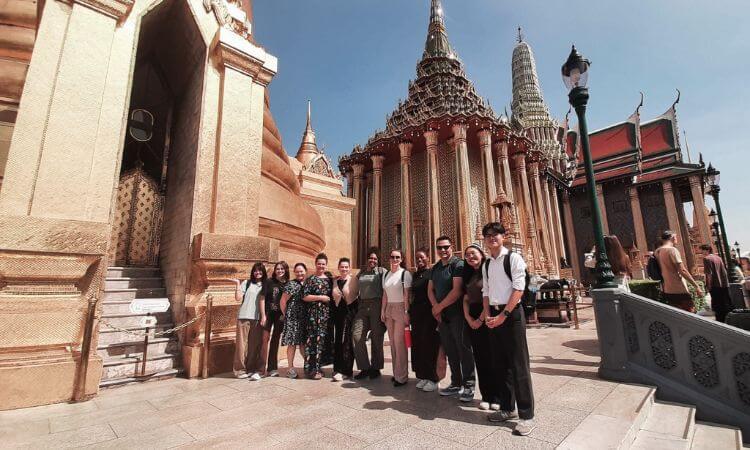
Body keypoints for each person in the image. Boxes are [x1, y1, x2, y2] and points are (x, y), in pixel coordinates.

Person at [481, 222, 536, 436]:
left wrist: (504, 315)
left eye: (495, 234)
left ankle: (527, 415)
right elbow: (486, 291)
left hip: (511, 314)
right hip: (494, 314)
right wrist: (487, 314)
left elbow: (519, 288)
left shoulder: (513, 258)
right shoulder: (487, 264)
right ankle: (506, 408)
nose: (491, 238)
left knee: (519, 364)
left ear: (504, 236)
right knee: (500, 364)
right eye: (487, 235)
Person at [428, 236, 475, 402]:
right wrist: (436, 308)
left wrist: (438, 307)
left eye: (446, 247)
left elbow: (456, 291)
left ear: (452, 247)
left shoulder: (458, 264)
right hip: (443, 316)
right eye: (439, 248)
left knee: (463, 349)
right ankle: (456, 382)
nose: (443, 251)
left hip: (457, 314)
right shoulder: (436, 267)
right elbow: (430, 290)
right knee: (450, 350)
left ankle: (469, 384)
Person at [462, 243, 499, 411]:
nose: (470, 257)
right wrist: (469, 318)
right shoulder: (469, 274)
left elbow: (490, 295)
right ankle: (486, 395)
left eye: (473, 253)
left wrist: (480, 319)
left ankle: (497, 396)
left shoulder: (488, 270)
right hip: (473, 316)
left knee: (493, 356)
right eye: (467, 255)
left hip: (487, 314)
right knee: (480, 357)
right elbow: (465, 299)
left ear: (481, 254)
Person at [350, 248, 387, 380]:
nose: (373, 260)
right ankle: (364, 367)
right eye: (371, 258)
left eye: (375, 259)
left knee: (377, 337)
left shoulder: (382, 272)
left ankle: (376, 368)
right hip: (363, 306)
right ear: (367, 259)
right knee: (357, 335)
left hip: (377, 305)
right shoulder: (361, 273)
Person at [410, 248, 441, 392]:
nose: (420, 260)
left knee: (430, 344)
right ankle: (422, 375)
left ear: (428, 257)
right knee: (419, 344)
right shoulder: (416, 274)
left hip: (429, 313)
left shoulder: (432, 273)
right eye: (417, 258)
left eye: (422, 257)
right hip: (416, 313)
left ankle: (433, 378)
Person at [381, 249, 412, 387]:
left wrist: (406, 312)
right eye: (392, 256)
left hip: (400, 308)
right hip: (389, 309)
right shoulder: (386, 274)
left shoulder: (405, 274)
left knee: (400, 343)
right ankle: (396, 373)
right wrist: (383, 310)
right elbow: (385, 295)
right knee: (393, 342)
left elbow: (406, 295)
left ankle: (402, 376)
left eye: (397, 257)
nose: (394, 259)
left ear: (401, 259)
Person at [231, 262, 267, 380]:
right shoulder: (246, 283)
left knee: (253, 346)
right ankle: (239, 370)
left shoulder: (265, 285)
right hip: (244, 317)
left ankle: (250, 369)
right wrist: (237, 284)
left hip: (257, 319)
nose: (258, 273)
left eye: (260, 271)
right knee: (241, 346)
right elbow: (238, 298)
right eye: (256, 271)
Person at [654, 230, 703, 312]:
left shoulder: (657, 252)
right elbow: (682, 270)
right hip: (679, 288)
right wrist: (696, 286)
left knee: (676, 316)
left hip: (667, 289)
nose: (677, 239)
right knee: (690, 314)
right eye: (676, 237)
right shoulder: (672, 250)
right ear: (672, 238)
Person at [302, 253, 333, 379]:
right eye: (319, 263)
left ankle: (319, 367)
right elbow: (304, 296)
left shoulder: (329, 280)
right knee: (312, 341)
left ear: (326, 265)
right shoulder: (310, 279)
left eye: (323, 264)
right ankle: (311, 369)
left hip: (325, 316)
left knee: (322, 342)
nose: (321, 266)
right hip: (312, 315)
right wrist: (320, 297)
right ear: (315, 264)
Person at [331, 257, 357, 381]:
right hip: (337, 314)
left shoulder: (353, 280)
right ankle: (337, 368)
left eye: (346, 267)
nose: (344, 269)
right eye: (342, 267)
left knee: (346, 341)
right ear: (339, 267)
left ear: (349, 268)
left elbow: (357, 297)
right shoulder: (335, 281)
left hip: (349, 314)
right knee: (337, 341)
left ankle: (346, 370)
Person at [260, 261, 288, 377]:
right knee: (264, 339)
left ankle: (272, 368)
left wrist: (285, 314)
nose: (280, 271)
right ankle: (261, 367)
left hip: (280, 316)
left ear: (285, 270)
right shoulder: (268, 282)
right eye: (278, 269)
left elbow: (287, 301)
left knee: (275, 340)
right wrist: (263, 315)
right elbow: (262, 298)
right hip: (268, 314)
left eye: (282, 269)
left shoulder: (287, 284)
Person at [280, 263, 308, 378]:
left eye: (301, 271)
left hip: (303, 319)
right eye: (297, 271)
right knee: (291, 344)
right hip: (292, 318)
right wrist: (286, 315)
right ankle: (290, 368)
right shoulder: (291, 284)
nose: (299, 273)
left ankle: (308, 365)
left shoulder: (307, 284)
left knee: (302, 344)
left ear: (305, 271)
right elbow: (283, 301)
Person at [701, 245, 731, 323]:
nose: (701, 252)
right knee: (725, 306)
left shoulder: (706, 259)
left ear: (707, 250)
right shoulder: (718, 258)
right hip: (724, 285)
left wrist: (708, 286)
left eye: (702, 250)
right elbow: (724, 271)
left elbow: (709, 274)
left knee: (717, 308)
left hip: (715, 286)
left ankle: (721, 325)